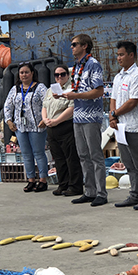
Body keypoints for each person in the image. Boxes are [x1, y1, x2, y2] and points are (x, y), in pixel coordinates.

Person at [62, 34, 108, 207]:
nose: (72, 47)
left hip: (91, 116)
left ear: (85, 46)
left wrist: (76, 95)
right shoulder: (77, 66)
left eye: (75, 44)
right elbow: (78, 88)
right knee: (82, 155)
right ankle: (89, 191)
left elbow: (98, 91)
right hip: (78, 115)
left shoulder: (93, 64)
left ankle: (101, 193)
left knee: (95, 155)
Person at [110, 41, 138, 210]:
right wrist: (112, 117)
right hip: (121, 127)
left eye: (122, 54)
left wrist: (115, 114)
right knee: (129, 163)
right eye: (118, 55)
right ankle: (134, 195)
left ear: (131, 55)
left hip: (135, 126)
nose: (119, 58)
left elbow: (133, 102)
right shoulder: (118, 76)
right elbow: (113, 99)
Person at [4, 62, 49, 193]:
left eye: (26, 72)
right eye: (22, 73)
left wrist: (45, 119)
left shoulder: (40, 88)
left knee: (38, 153)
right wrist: (9, 120)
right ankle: (31, 180)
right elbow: (8, 106)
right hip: (20, 127)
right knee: (26, 154)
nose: (24, 75)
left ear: (32, 73)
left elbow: (47, 103)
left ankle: (43, 180)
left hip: (37, 126)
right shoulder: (15, 89)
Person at [42, 64, 84, 196]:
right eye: (57, 75)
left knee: (71, 157)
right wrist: (45, 119)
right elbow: (45, 106)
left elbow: (71, 109)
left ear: (68, 75)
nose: (59, 77)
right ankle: (63, 184)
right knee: (58, 159)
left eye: (62, 74)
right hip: (51, 127)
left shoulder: (71, 89)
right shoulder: (50, 90)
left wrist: (56, 121)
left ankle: (75, 186)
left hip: (65, 125)